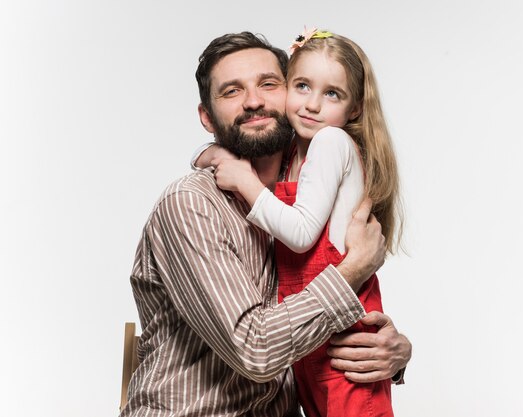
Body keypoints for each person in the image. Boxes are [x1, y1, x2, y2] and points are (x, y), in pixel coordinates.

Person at [121, 32, 411, 417]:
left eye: (268, 84)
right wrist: (353, 271)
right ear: (207, 118)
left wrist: (390, 350)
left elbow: (310, 323)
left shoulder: (306, 185)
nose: (254, 100)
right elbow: (255, 351)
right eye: (231, 92)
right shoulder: (191, 206)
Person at [199, 28, 401, 417]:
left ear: (354, 108)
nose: (312, 105)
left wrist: (242, 180)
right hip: (309, 328)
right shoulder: (296, 146)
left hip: (339, 331)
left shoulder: (329, 143)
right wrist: (213, 151)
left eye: (332, 94)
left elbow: (301, 233)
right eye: (303, 86)